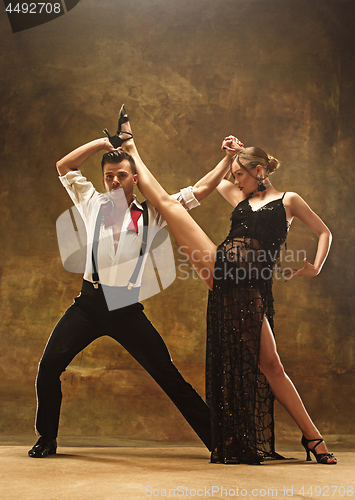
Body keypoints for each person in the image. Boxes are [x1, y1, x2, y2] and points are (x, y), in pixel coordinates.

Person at [120, 110, 337, 465]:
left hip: (252, 288)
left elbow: (324, 232)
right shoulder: (239, 196)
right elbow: (212, 184)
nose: (236, 181)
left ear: (260, 172)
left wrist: (315, 266)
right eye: (235, 176)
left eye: (241, 175)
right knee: (170, 204)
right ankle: (131, 147)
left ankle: (313, 439)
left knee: (272, 365)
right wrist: (229, 157)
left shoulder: (289, 201)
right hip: (223, 268)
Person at [28, 117, 213, 458]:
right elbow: (64, 166)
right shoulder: (92, 203)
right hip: (89, 304)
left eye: (121, 175)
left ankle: (219, 440)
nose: (114, 181)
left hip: (126, 307)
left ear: (135, 179)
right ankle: (47, 438)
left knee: (168, 375)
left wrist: (227, 162)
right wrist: (102, 145)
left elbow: (198, 191)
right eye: (109, 176)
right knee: (49, 367)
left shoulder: (153, 212)